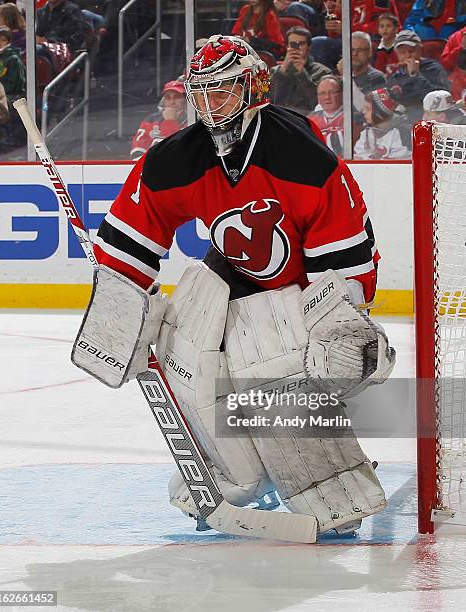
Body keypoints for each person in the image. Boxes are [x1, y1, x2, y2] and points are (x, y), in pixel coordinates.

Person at [71, 34, 395, 539]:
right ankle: (225, 482)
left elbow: (345, 264)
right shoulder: (178, 157)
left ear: (253, 88)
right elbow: (128, 246)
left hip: (297, 299)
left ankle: (330, 489)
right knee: (190, 358)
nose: (209, 105)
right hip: (225, 283)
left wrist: (340, 330)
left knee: (272, 368)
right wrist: (120, 314)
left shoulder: (303, 156)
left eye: (221, 91)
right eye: (202, 94)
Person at [386, 29, 451, 125]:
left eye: (411, 51)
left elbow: (441, 99)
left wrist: (415, 75)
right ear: (397, 54)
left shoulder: (433, 68)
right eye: (403, 52)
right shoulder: (395, 77)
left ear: (420, 50)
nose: (408, 55)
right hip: (404, 122)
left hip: (432, 118)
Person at [270, 26, 331, 116]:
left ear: (309, 47)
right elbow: (270, 98)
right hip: (279, 116)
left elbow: (315, 102)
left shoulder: (322, 72)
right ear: (287, 47)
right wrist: (282, 71)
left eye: (301, 43)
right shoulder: (275, 72)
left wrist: (301, 73)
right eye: (293, 44)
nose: (297, 47)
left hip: (306, 118)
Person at [130, 80, 187, 161]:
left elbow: (176, 151)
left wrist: (170, 122)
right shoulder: (151, 120)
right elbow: (137, 152)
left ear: (185, 99)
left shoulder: (192, 121)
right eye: (168, 97)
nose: (172, 102)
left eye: (177, 97)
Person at [309, 75, 363, 156]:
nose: (327, 97)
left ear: (342, 94)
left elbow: (339, 149)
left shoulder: (352, 117)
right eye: (322, 93)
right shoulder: (311, 119)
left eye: (333, 92)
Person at [354, 86, 410, 159]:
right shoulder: (366, 131)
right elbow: (359, 155)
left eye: (368, 108)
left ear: (379, 113)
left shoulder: (402, 133)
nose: (363, 112)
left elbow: (398, 162)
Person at [0, 26, 25, 97]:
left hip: (9, 97)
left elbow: (14, 86)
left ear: (9, 43)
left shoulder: (13, 59)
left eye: (3, 40)